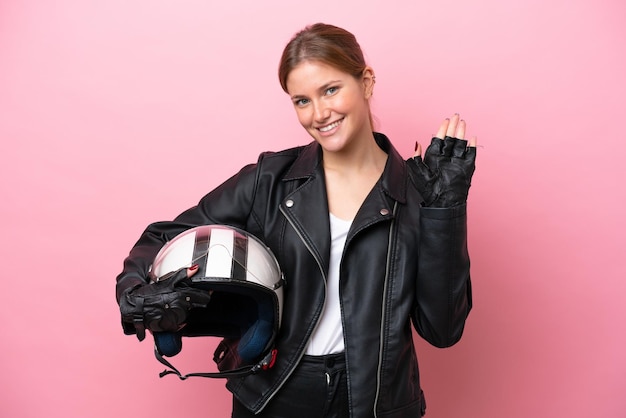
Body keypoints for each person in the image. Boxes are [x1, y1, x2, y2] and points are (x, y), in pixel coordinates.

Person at [116, 22, 476, 418]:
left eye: (331, 90)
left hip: (375, 403)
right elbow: (164, 235)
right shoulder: (269, 180)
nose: (319, 114)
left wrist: (446, 210)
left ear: (367, 82)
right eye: (301, 100)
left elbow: (442, 330)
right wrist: (134, 288)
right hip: (276, 394)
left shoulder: (419, 191)